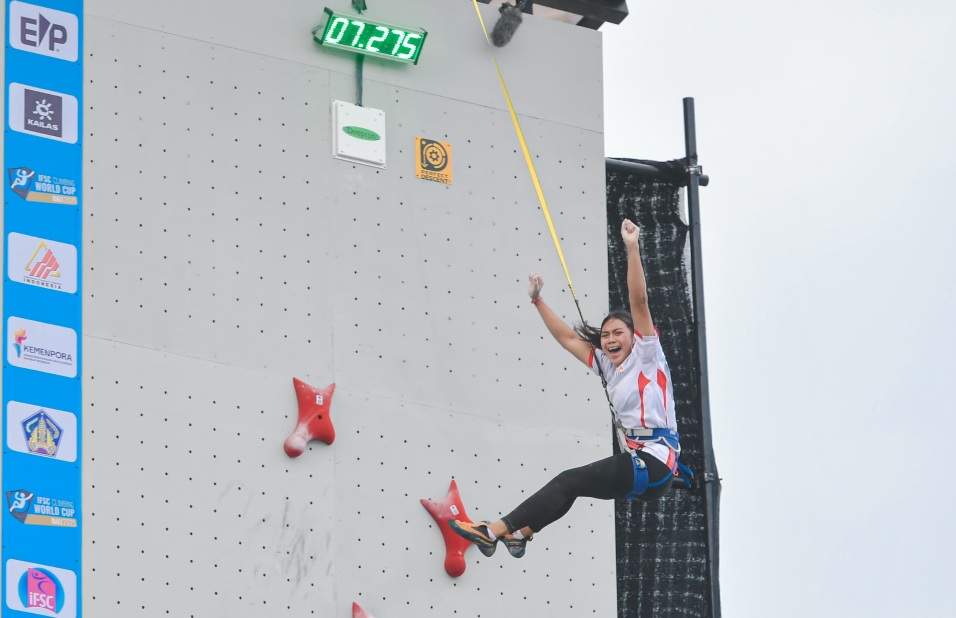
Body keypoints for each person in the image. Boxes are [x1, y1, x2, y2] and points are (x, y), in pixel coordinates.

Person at [449, 218, 683, 559]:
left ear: (635, 336)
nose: (611, 339)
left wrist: (632, 248)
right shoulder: (607, 365)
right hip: (644, 467)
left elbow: (639, 302)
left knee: (568, 481)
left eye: (618, 332)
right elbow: (568, 338)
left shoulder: (648, 355)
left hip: (657, 463)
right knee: (572, 488)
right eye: (605, 335)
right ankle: (521, 534)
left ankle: (492, 531)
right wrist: (537, 300)